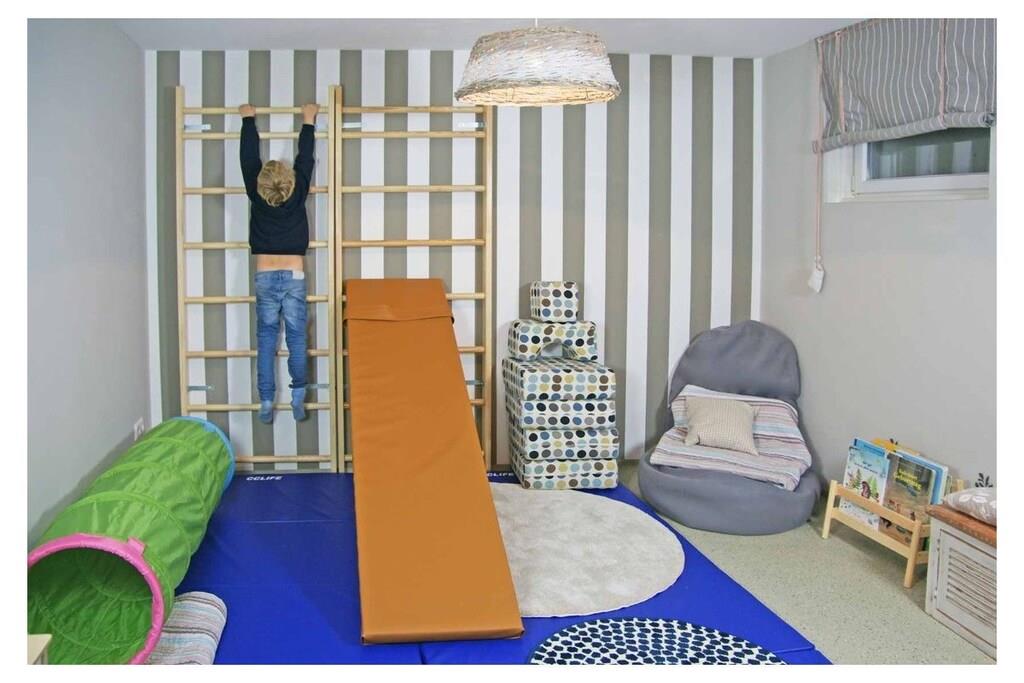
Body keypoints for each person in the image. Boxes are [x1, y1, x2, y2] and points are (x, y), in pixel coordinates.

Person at [238, 102, 319, 424]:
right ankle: (298, 393)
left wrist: (247, 120)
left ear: (259, 184)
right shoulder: (298, 191)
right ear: (290, 182)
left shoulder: (255, 194)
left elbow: (248, 159)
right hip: (294, 276)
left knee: (266, 341)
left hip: (264, 277)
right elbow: (305, 157)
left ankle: (266, 399)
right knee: (297, 338)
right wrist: (308, 120)